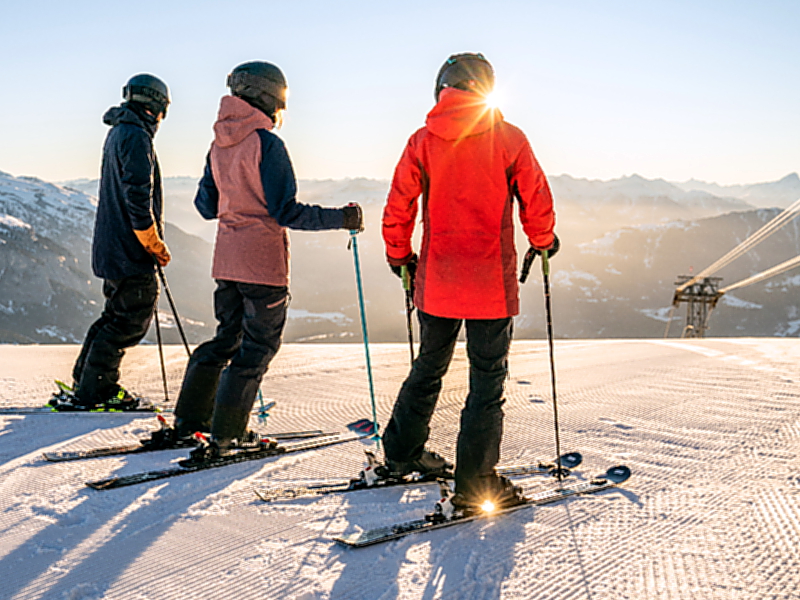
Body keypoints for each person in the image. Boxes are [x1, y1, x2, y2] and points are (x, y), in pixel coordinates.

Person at [381, 53, 559, 511]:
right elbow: (535, 198)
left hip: (437, 281)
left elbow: (400, 205)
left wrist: (399, 255)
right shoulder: (510, 139)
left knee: (428, 366)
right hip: (490, 286)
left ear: (442, 89)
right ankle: (476, 482)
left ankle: (401, 454)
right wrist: (544, 240)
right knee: (486, 383)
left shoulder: (422, 141)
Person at [172, 61, 363, 457]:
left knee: (226, 339)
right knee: (256, 349)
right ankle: (228, 435)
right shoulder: (267, 143)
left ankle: (190, 421)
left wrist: (225, 176)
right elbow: (286, 212)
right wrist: (341, 219)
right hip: (261, 264)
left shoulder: (218, 143)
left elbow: (205, 207)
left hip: (225, 263)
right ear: (269, 96)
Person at [51, 74, 172, 411]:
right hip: (129, 249)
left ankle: (86, 380)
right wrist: (151, 240)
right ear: (155, 106)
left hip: (113, 246)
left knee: (114, 316)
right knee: (129, 320)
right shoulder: (135, 136)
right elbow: (137, 195)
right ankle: (98, 389)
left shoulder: (120, 130)